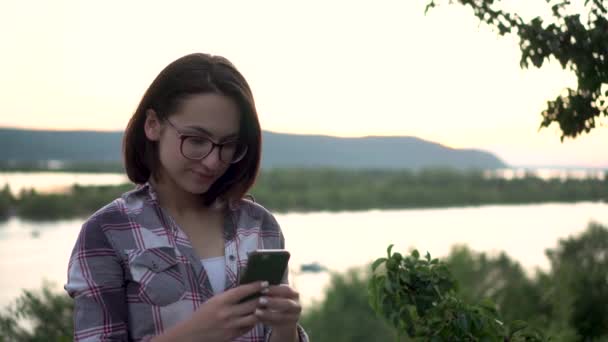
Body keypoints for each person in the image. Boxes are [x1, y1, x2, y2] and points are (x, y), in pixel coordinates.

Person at [65, 53, 308, 342]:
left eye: (228, 144)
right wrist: (196, 333)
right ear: (153, 124)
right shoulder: (107, 232)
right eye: (196, 140)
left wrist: (285, 329)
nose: (213, 161)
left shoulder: (259, 225)